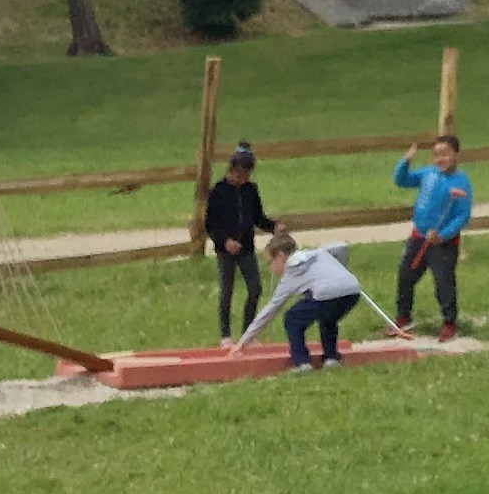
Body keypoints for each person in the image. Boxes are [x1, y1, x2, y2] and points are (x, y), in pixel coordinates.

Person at [242, 231, 366, 368]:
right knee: (328, 318)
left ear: (281, 256)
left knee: (292, 318)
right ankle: (331, 358)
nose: (271, 268)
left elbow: (271, 309)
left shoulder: (291, 273)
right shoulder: (318, 253)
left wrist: (244, 341)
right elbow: (341, 247)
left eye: (270, 262)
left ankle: (302, 362)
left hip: (326, 294)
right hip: (352, 291)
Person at [392, 132, 474, 336]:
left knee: (443, 282)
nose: (440, 159)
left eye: (445, 154)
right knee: (405, 276)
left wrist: (443, 235)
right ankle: (403, 317)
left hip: (443, 243)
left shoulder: (461, 183)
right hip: (418, 236)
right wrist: (405, 162)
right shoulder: (427, 174)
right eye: (436, 155)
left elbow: (462, 216)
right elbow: (401, 180)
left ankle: (449, 322)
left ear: (456, 155)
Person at [202, 141, 271, 338]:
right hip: (225, 250)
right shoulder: (218, 191)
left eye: (246, 176)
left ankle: (248, 332)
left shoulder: (251, 190)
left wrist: (273, 226)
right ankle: (225, 335)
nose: (242, 180)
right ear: (231, 170)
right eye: (239, 176)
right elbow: (210, 225)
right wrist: (224, 241)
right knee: (227, 291)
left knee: (255, 288)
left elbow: (258, 218)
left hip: (246, 248)